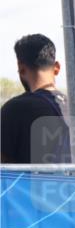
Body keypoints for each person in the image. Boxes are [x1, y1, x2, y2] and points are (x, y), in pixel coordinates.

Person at [1, 34, 70, 164]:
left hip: (29, 178)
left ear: (21, 68)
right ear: (56, 68)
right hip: (74, 178)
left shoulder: (15, 109)